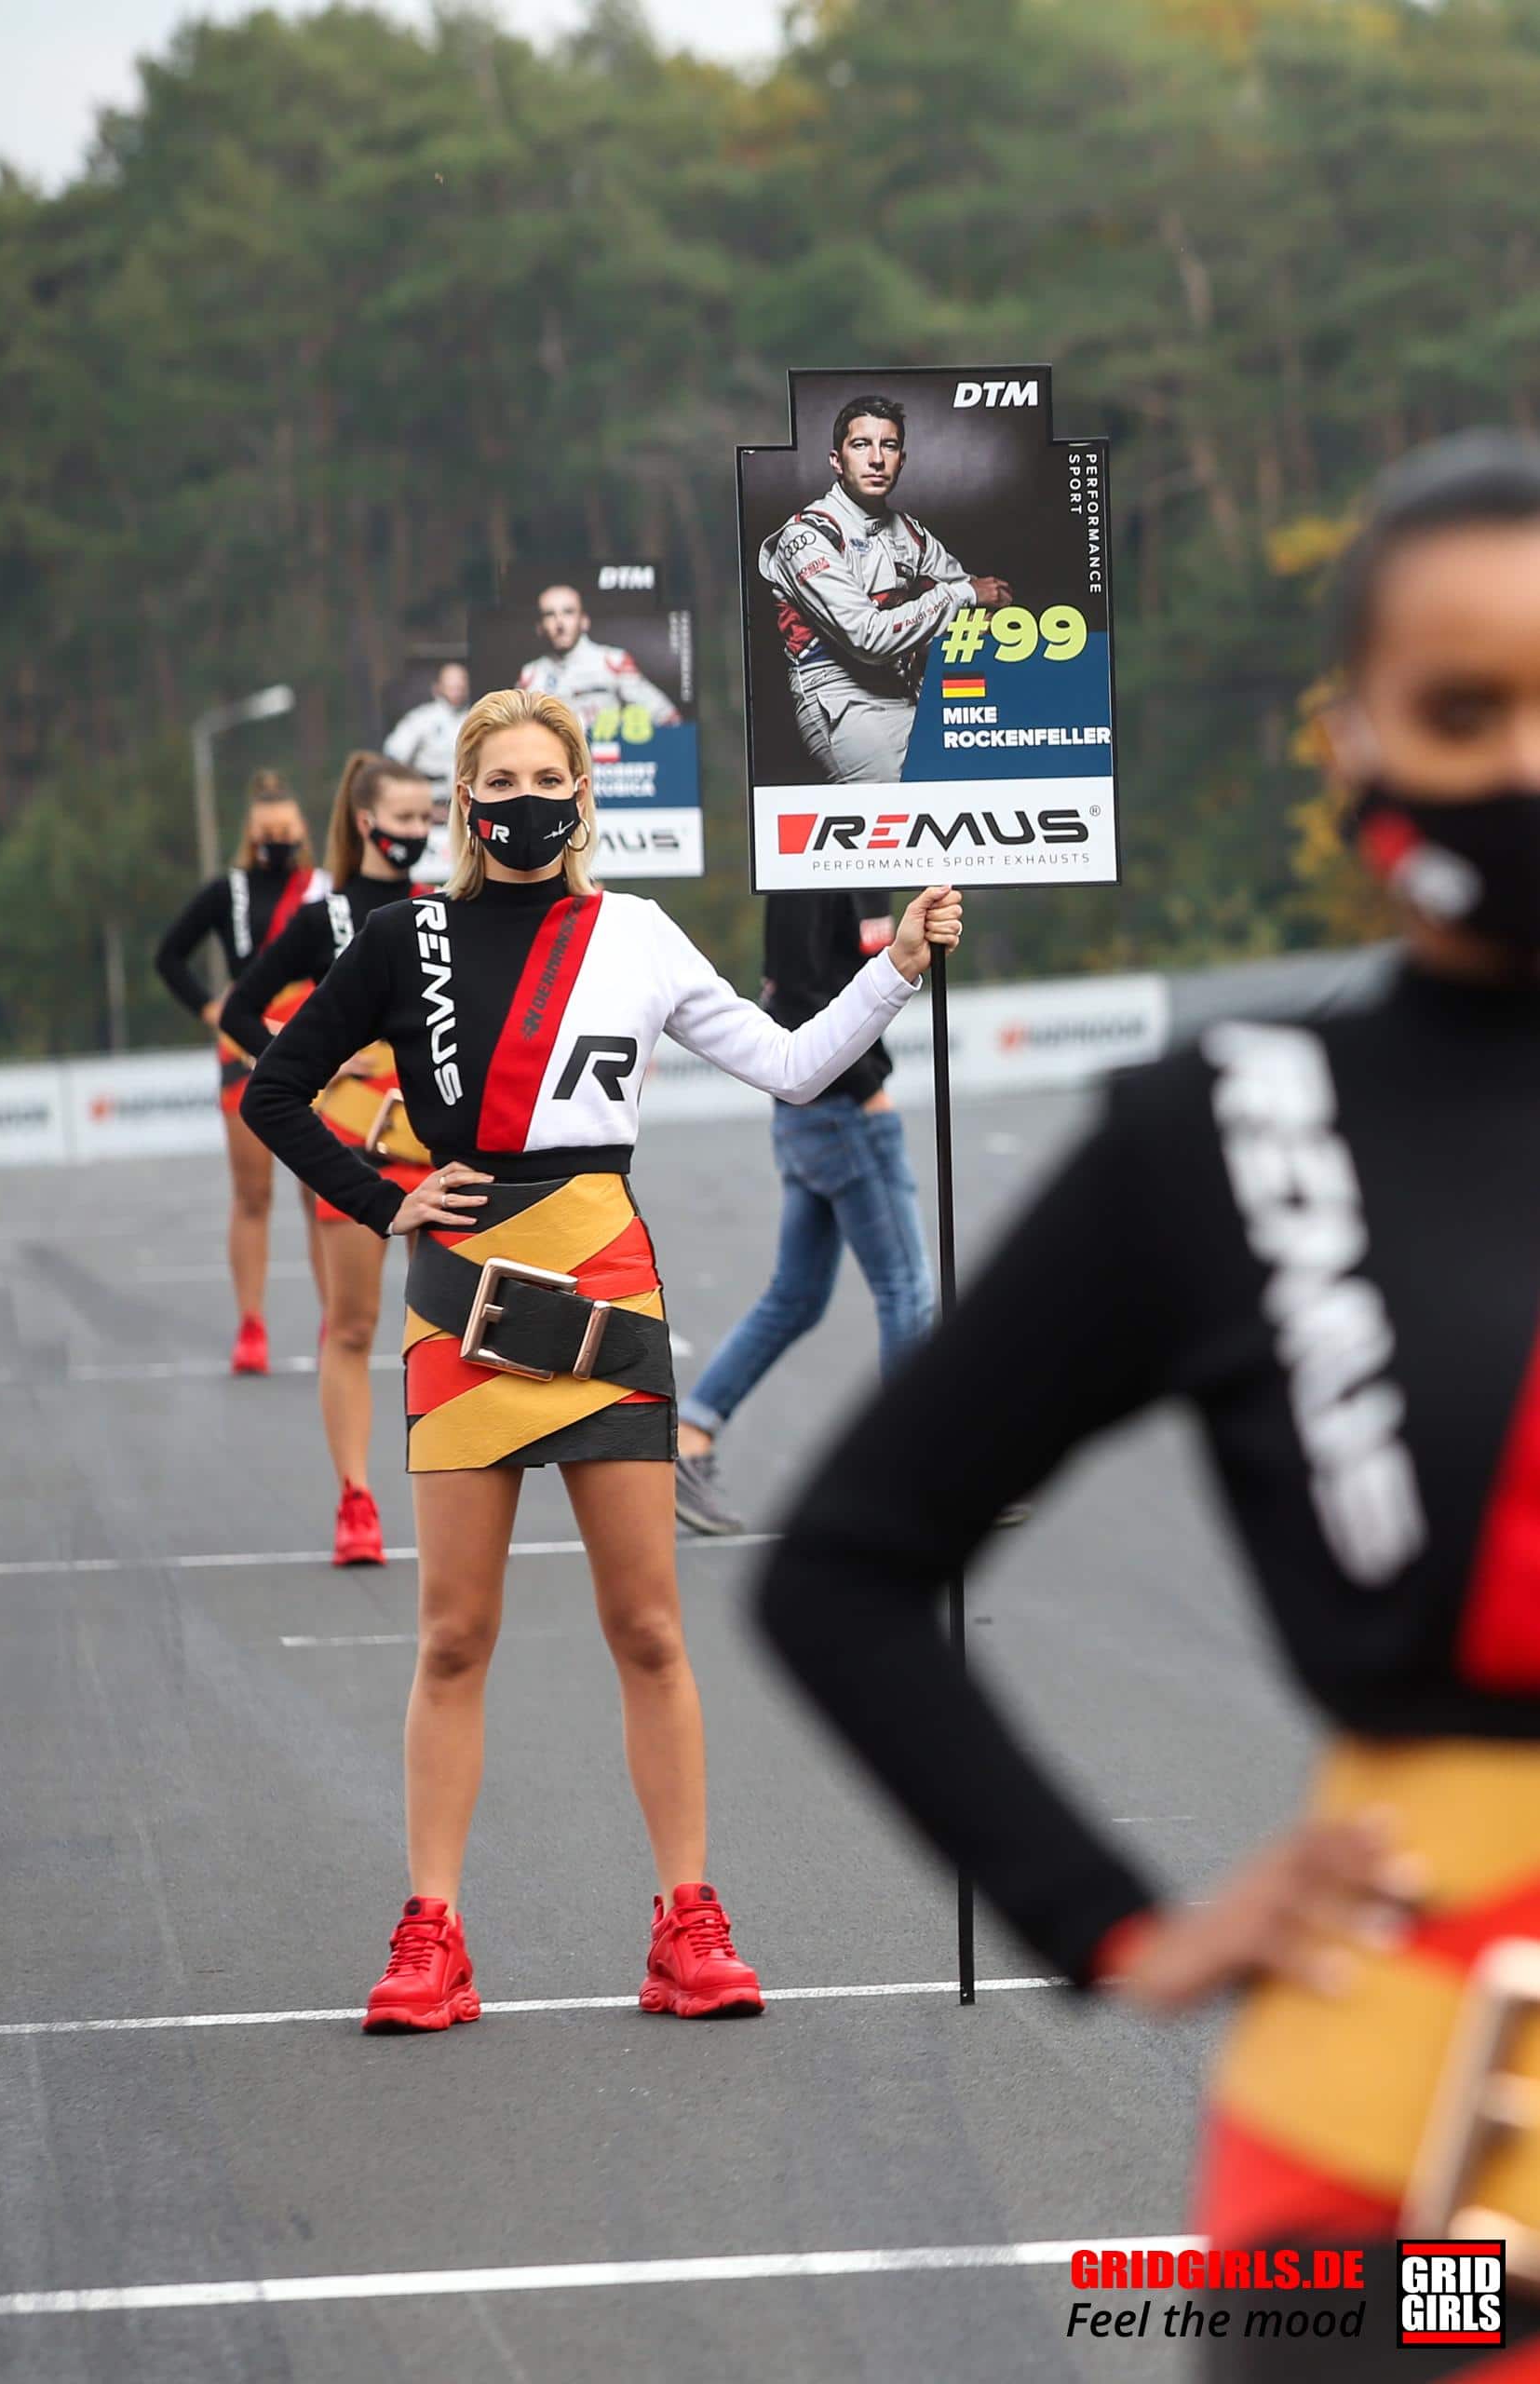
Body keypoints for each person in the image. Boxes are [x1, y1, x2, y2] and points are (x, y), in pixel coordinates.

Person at [757, 428, 1540, 2376]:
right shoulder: (1227, 1123)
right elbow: (844, 1563)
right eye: (1464, 709)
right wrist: (1118, 1922)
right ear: (1345, 736)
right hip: (1397, 2204)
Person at [242, 686, 960, 2033]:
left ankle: (686, 1922)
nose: (525, 798)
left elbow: (797, 1067)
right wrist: (378, 1193)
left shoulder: (631, 934)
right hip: (461, 1303)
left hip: (604, 1291)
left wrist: (900, 964)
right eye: (498, 779)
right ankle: (431, 1934)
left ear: (582, 795)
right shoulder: (408, 940)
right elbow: (274, 1084)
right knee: (454, 1636)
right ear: (465, 805)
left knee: (646, 1627)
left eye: (545, 775)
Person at [222, 754, 435, 1567]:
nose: (415, 834)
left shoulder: (450, 908)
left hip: (440, 1147)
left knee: (445, 1327)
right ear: (364, 822)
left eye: (426, 820)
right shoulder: (326, 918)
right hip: (351, 1146)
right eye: (403, 820)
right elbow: (241, 1006)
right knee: (351, 1326)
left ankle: (453, 1492)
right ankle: (355, 1498)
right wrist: (298, 1056)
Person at [674, 889, 933, 1537]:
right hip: (839, 1115)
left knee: (795, 1297)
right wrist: (866, 1090)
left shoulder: (870, 865)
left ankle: (691, 1436)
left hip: (830, 1115)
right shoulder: (810, 867)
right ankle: (919, 1475)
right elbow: (789, 1002)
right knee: (907, 1291)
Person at [154, 769, 328, 1374]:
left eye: (287, 828)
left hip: (314, 1041)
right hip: (245, 1041)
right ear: (251, 835)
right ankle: (251, 1326)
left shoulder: (324, 888)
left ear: (302, 830)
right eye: (267, 830)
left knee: (320, 1191)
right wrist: (210, 1008)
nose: (278, 837)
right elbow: (168, 954)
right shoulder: (225, 891)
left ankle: (335, 1321)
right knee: (252, 1193)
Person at [759, 393, 1012, 784]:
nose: (876, 458)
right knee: (891, 822)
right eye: (861, 445)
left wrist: (981, 611)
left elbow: (983, 601)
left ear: (902, 460)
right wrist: (961, 597)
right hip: (839, 690)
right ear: (836, 460)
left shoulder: (910, 533)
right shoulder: (806, 536)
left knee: (968, 788)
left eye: (888, 445)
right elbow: (868, 639)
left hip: (903, 688)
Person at [516, 583, 681, 734]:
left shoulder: (613, 662)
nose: (560, 623)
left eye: (568, 612)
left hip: (607, 762)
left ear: (584, 621)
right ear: (539, 627)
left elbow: (668, 718)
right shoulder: (530, 675)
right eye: (550, 615)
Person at [385, 659, 469, 888]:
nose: (457, 689)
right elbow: (393, 758)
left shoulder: (474, 720)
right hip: (428, 818)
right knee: (423, 887)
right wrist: (417, 806)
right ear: (438, 687)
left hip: (464, 817)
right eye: (451, 684)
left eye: (461, 683)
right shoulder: (421, 720)